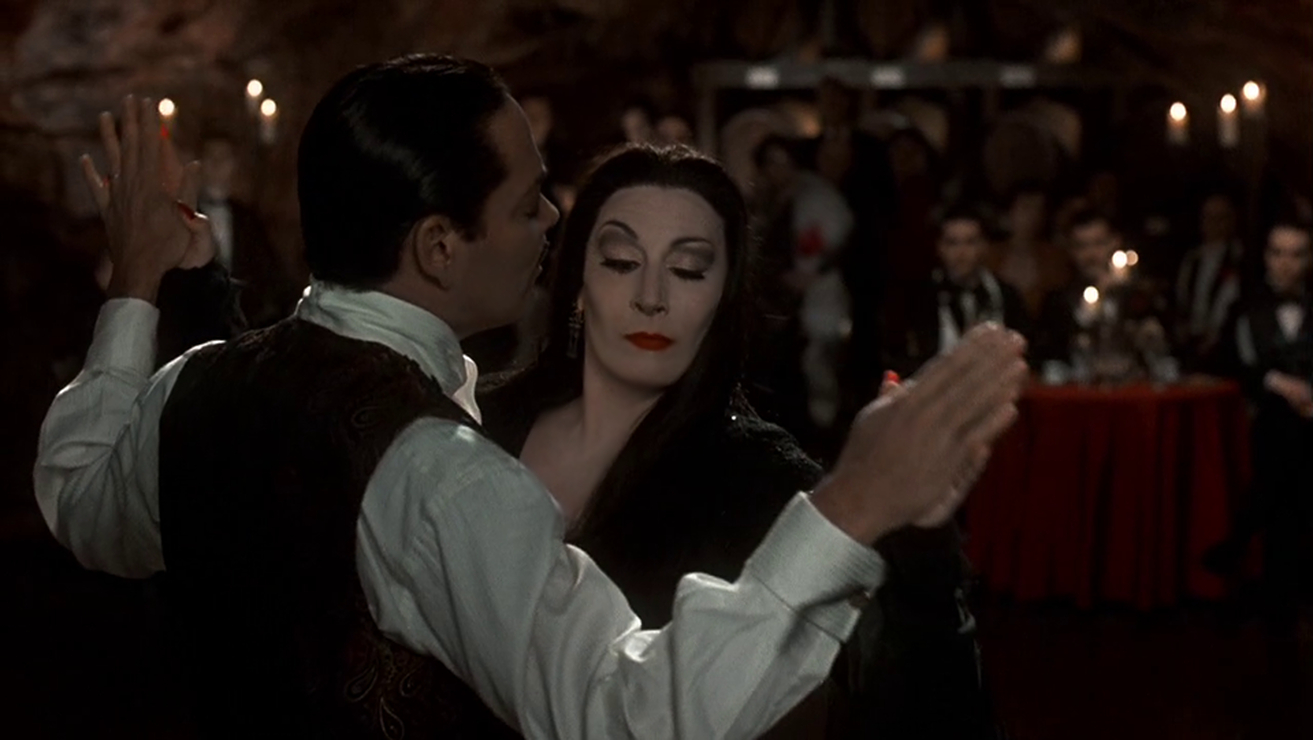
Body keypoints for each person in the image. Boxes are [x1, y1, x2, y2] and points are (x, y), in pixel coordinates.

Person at [34, 56, 1027, 738]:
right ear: (438, 245)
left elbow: (81, 498)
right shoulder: (442, 474)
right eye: (525, 203)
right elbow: (628, 714)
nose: (548, 218)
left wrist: (136, 285)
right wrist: (851, 508)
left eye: (688, 265)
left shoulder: (191, 385)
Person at [478, 143, 1003, 739]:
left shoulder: (764, 482)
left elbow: (925, 706)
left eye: (688, 270)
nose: (651, 296)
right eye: (622, 261)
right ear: (577, 281)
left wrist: (922, 541)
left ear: (723, 298)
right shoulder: (477, 421)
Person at [1208, 216, 1313, 633]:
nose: (1286, 263)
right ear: (1266, 256)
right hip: (1269, 422)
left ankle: (1241, 537)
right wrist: (1275, 382)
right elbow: (1225, 360)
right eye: (1278, 253)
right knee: (1283, 441)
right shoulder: (1245, 305)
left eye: (1297, 254)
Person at [887, 203, 1032, 378]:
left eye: (970, 242)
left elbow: (1027, 353)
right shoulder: (918, 298)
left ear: (984, 246)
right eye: (952, 243)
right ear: (940, 247)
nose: (961, 253)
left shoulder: (1006, 295)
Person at [194, 132, 298, 327]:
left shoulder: (247, 219)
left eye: (224, 158)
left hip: (245, 324)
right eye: (210, 157)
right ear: (199, 164)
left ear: (234, 165)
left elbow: (272, 271)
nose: (217, 165)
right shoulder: (186, 216)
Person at [1175, 192, 1244, 372]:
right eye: (1208, 217)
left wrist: (1216, 335)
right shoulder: (1192, 260)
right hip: (1192, 342)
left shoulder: (1238, 259)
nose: (1213, 224)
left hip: (1225, 346)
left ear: (1232, 220)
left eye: (1220, 218)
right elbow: (1182, 299)